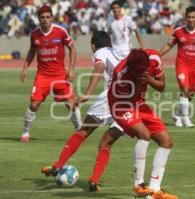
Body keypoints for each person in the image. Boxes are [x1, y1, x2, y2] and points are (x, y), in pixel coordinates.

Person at [41, 30, 124, 192]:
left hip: (111, 96)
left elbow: (99, 67)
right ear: (110, 43)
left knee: (83, 131)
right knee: (106, 144)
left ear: (93, 46)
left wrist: (87, 93)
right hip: (129, 101)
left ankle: (58, 165)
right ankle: (94, 181)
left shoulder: (100, 52)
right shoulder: (119, 53)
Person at [108, 49, 177, 199]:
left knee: (167, 142)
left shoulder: (154, 58)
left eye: (143, 70)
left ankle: (154, 189)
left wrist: (149, 80)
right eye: (136, 72)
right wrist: (139, 83)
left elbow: (162, 87)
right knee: (144, 134)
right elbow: (128, 100)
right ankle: (138, 185)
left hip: (140, 103)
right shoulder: (121, 73)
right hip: (120, 104)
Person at [19, 5, 81, 142]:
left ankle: (79, 130)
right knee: (34, 104)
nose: (45, 20)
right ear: (38, 19)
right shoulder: (34, 34)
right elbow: (32, 51)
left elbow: (72, 49)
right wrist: (25, 68)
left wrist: (71, 69)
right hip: (43, 76)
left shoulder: (61, 32)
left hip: (60, 75)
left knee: (71, 104)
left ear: (52, 18)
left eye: (48, 17)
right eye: (42, 17)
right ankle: (25, 132)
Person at [160, 6, 195, 127]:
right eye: (188, 17)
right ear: (185, 18)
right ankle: (186, 119)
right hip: (182, 64)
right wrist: (157, 55)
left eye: (193, 17)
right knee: (184, 88)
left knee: (191, 94)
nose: (191, 19)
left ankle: (176, 113)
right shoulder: (178, 31)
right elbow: (169, 45)